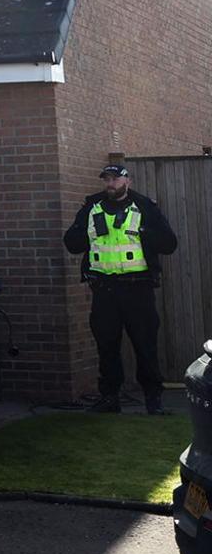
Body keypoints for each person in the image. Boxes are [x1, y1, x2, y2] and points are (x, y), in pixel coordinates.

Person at [63, 163, 178, 414]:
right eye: (107, 179)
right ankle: (109, 398)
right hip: (104, 290)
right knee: (107, 346)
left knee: (145, 345)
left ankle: (153, 400)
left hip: (138, 289)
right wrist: (88, 233)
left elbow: (169, 243)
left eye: (115, 179)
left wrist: (144, 232)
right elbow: (71, 243)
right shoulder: (91, 208)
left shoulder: (145, 207)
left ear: (128, 181)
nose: (110, 184)